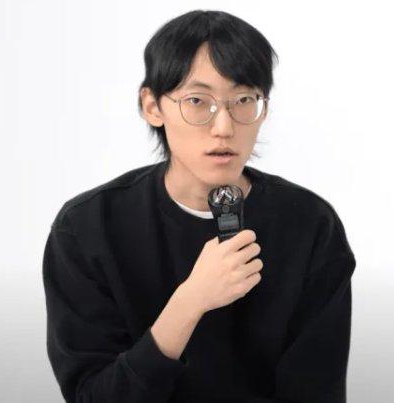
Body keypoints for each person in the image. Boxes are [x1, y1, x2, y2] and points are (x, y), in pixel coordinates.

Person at [42, 9, 357, 403]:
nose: (224, 127)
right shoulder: (87, 228)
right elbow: (93, 396)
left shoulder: (309, 225)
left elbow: (317, 392)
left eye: (244, 100)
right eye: (197, 101)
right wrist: (190, 302)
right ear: (152, 106)